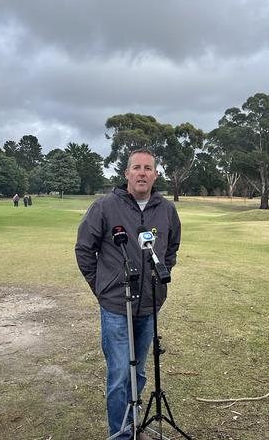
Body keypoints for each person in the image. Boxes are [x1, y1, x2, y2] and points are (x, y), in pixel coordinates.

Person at [75, 149, 181, 440]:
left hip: (149, 305)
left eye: (148, 168)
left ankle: (136, 426)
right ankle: (121, 434)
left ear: (156, 175)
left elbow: (171, 248)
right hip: (115, 305)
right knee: (121, 374)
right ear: (127, 174)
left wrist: (159, 282)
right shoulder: (105, 207)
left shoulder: (167, 209)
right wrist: (102, 286)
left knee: (140, 372)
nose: (143, 172)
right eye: (137, 167)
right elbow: (84, 249)